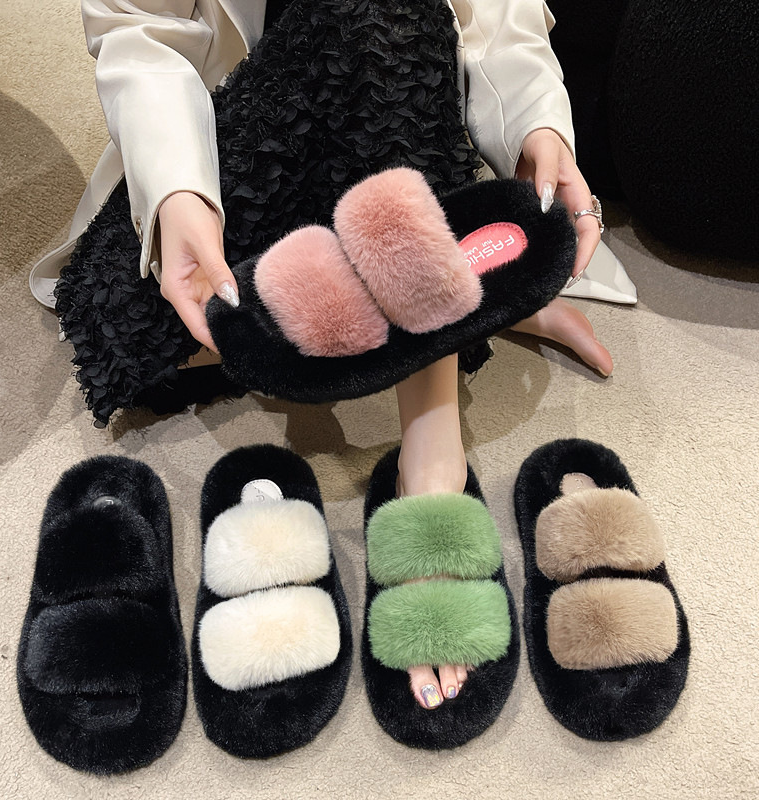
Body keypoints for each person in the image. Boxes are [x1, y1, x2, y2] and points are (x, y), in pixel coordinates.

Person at [50, 0, 612, 710]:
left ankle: (432, 454)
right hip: (235, 155)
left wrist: (535, 122)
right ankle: (455, 295)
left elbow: (495, 11)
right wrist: (176, 191)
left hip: (403, 134)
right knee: (145, 333)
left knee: (386, 13)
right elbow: (136, 26)